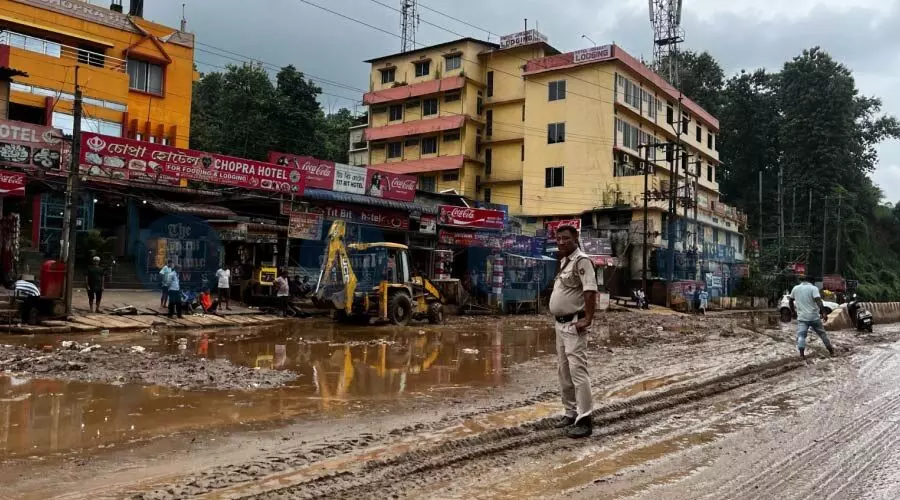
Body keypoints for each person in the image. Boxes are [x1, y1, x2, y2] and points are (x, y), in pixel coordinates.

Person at [548, 225, 597, 439]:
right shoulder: (564, 262)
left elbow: (590, 291)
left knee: (578, 372)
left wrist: (588, 318)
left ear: (575, 238)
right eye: (558, 238)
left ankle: (585, 419)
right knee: (564, 372)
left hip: (573, 324)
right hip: (560, 325)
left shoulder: (582, 261)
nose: (561, 242)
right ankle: (570, 413)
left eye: (566, 238)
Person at [789, 275, 836, 359]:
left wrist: (793, 312)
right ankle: (831, 352)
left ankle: (802, 355)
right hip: (814, 317)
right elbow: (818, 300)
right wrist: (824, 312)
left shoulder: (795, 288)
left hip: (802, 317)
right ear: (812, 281)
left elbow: (790, 301)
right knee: (822, 334)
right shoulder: (813, 288)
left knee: (801, 336)